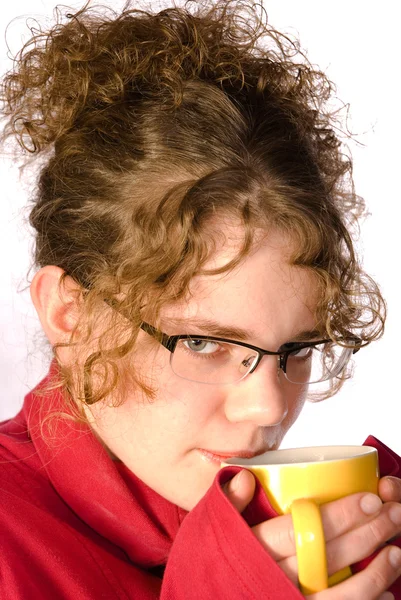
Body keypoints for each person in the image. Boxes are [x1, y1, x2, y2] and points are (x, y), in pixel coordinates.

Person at [0, 1, 400, 598]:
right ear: (71, 313)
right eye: (204, 341)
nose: (268, 408)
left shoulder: (313, 533)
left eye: (295, 348)